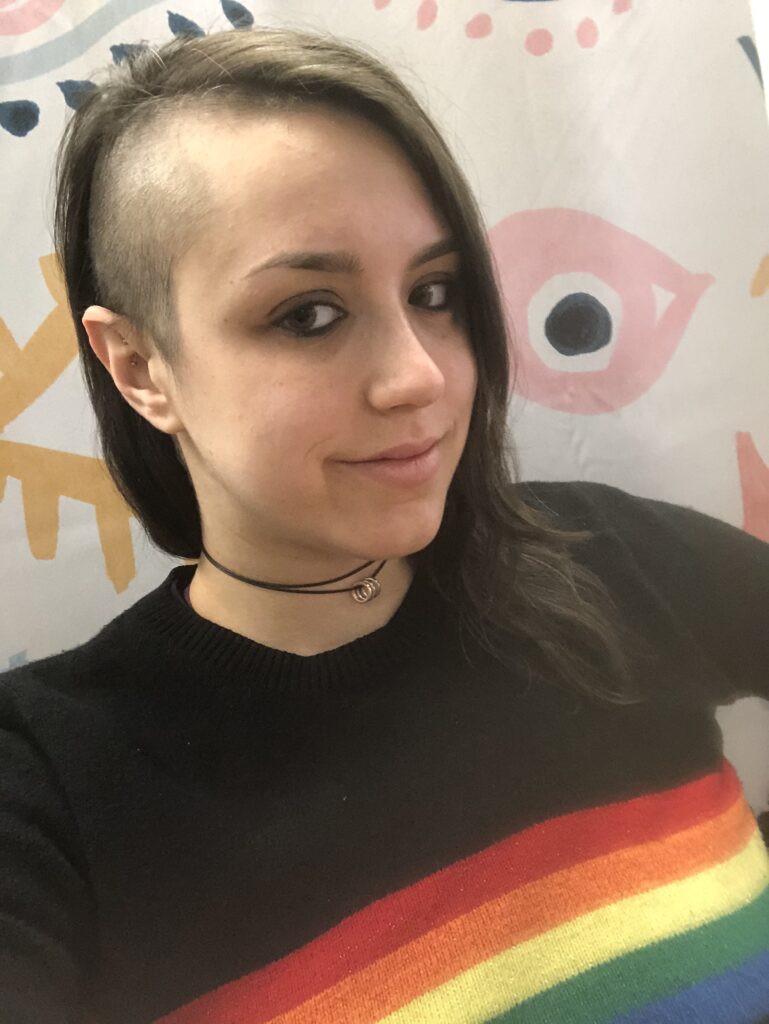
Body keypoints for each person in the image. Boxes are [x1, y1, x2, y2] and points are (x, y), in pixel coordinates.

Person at [1, 24, 768, 1024]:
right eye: (307, 315)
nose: (420, 375)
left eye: (435, 293)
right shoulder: (46, 787)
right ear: (141, 368)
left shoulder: (604, 557)